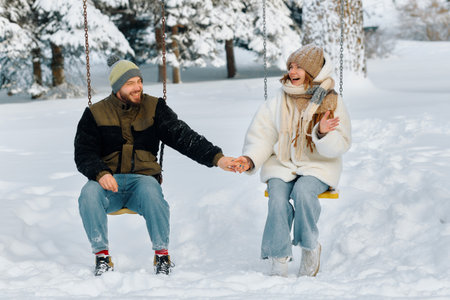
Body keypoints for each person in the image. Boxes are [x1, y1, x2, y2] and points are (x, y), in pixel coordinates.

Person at [74, 55, 238, 276]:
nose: (137, 87)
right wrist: (100, 173)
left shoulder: (154, 108)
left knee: (152, 192)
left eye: (139, 81)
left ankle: (162, 255)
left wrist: (217, 158)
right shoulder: (95, 113)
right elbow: (84, 152)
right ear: (117, 87)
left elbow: (183, 136)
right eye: (130, 83)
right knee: (88, 193)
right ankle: (102, 256)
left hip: (141, 183)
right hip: (108, 185)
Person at [234, 44, 351, 277]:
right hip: (284, 163)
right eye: (290, 66)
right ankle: (278, 255)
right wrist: (250, 158)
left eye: (299, 67)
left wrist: (323, 133)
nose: (293, 71)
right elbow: (263, 135)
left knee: (304, 193)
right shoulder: (278, 100)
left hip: (318, 165)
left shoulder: (331, 101)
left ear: (313, 71)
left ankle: (310, 247)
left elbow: (342, 143)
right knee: (277, 199)